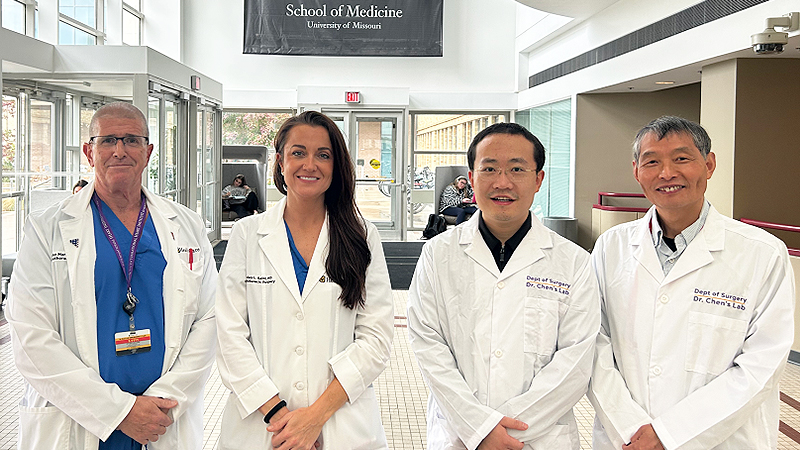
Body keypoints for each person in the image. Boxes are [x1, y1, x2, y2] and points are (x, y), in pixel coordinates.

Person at [7, 102, 217, 450]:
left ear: (148, 152)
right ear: (89, 152)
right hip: (80, 420)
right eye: (107, 141)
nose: (120, 150)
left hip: (161, 420)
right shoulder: (47, 229)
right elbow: (31, 336)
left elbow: (210, 319)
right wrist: (119, 412)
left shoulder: (186, 224)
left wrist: (166, 401)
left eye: (132, 140)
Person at [588, 116, 795, 450]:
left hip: (723, 441)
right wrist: (630, 428)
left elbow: (761, 365)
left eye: (681, 159)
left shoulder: (762, 252)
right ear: (636, 171)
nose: (666, 173)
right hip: (626, 438)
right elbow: (594, 344)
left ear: (709, 165)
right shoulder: (611, 246)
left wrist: (668, 434)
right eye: (652, 162)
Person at [408, 122, 600, 449]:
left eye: (517, 169)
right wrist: (477, 427)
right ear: (472, 178)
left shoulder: (574, 262)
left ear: (538, 179)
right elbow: (428, 344)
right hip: (459, 435)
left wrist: (506, 432)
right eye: (490, 169)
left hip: (539, 438)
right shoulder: (438, 254)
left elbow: (575, 362)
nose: (502, 182)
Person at [215, 111, 394, 450]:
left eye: (323, 155)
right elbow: (229, 334)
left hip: (341, 427)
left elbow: (376, 338)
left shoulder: (361, 236)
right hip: (262, 427)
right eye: (298, 152)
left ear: (335, 165)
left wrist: (314, 418)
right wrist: (280, 416)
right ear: (281, 161)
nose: (309, 164)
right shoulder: (248, 234)